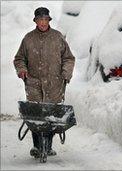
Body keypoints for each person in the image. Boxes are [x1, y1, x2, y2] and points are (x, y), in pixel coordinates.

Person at [13, 7, 75, 157]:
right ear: (35, 21)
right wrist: (22, 70)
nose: (43, 22)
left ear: (49, 20)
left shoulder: (57, 37)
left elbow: (68, 58)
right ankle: (37, 146)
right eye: (40, 19)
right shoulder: (28, 39)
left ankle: (48, 146)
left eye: (45, 19)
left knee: (51, 116)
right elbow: (19, 58)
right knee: (36, 116)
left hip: (55, 84)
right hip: (33, 84)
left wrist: (66, 73)